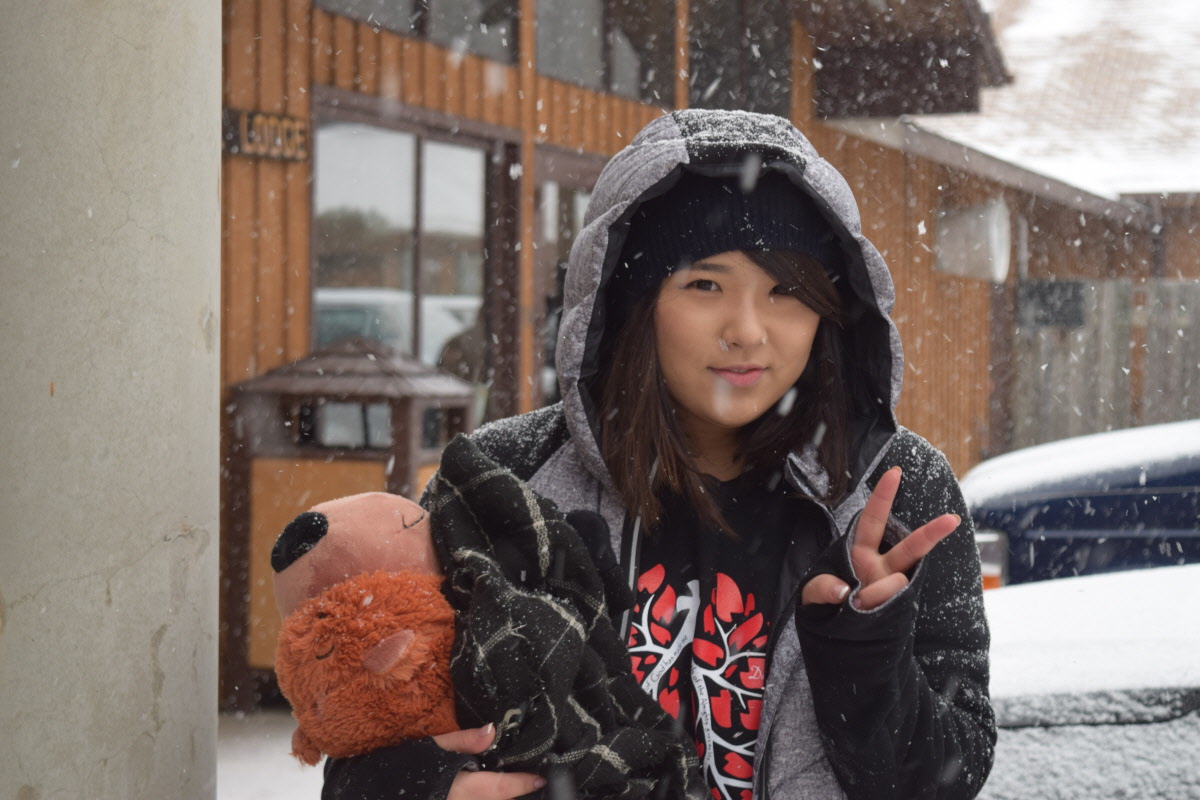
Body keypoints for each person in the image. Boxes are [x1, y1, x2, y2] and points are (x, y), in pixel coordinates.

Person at [323, 109, 995, 800]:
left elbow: (950, 777)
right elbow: (365, 739)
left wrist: (864, 649)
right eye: (705, 284)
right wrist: (417, 784)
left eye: (787, 291)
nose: (747, 330)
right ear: (633, 301)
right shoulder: (505, 481)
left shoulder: (895, 491)